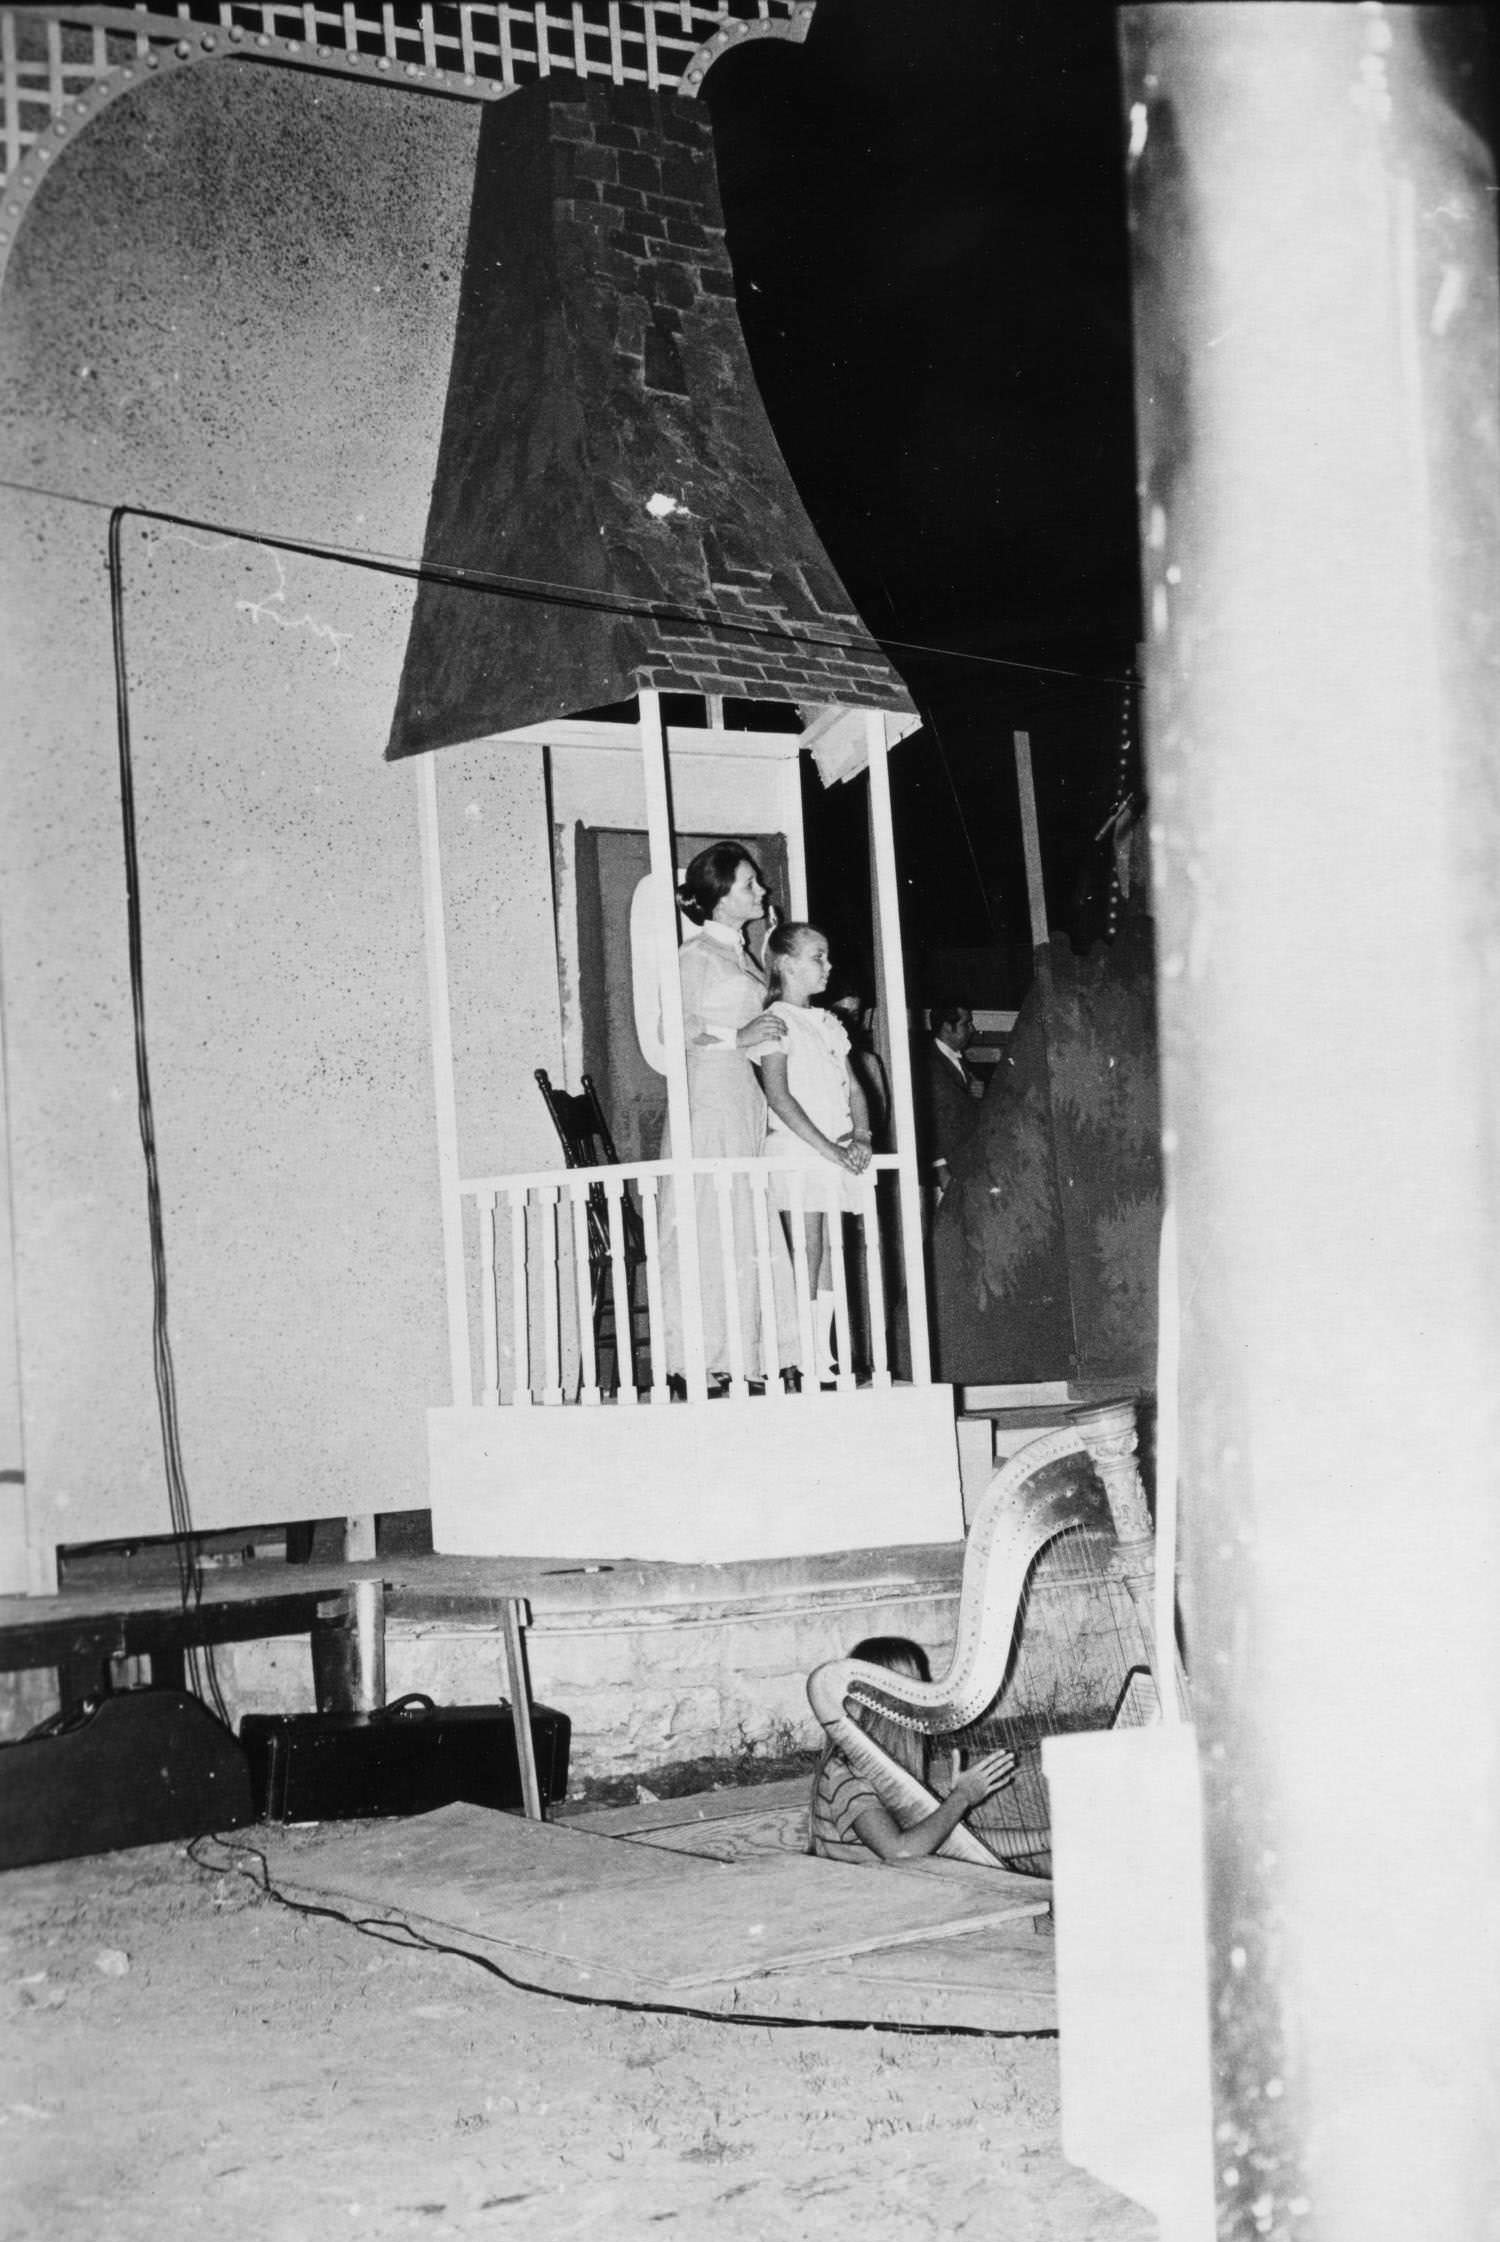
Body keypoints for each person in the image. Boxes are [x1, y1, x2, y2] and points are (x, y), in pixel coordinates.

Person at [659, 842, 797, 1390]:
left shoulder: (743, 955)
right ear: (718, 899)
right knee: (708, 1221)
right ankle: (696, 1358)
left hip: (741, 1095)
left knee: (740, 1218)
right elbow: (676, 1031)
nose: (760, 890)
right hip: (709, 1098)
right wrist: (736, 1037)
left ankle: (741, 1353)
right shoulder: (693, 957)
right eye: (748, 884)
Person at [751, 923, 872, 1385]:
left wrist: (859, 1135)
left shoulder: (828, 1021)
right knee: (806, 1250)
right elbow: (779, 1096)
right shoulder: (776, 1021)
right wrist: (828, 1150)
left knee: (825, 1254)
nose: (828, 966)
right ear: (785, 964)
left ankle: (821, 1356)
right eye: (817, 957)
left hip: (835, 1152)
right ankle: (799, 1357)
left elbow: (855, 1087)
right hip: (800, 1150)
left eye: (827, 956)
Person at [808, 1636, 1017, 1865]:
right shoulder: (844, 1773)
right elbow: (899, 1852)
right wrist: (961, 1798)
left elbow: (957, 1845)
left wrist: (1047, 1837)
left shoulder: (892, 1771)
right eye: (916, 1686)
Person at [913, 1001, 984, 1208]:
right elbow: (927, 1120)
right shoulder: (926, 1063)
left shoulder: (961, 1063)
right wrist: (941, 1169)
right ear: (947, 1026)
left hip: (963, 1171)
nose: (972, 1029)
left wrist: (976, 1095)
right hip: (943, 1177)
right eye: (966, 1024)